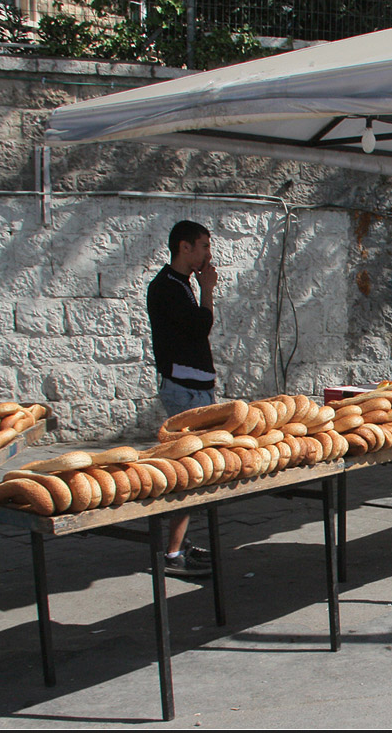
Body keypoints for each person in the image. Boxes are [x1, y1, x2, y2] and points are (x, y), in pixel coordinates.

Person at [147, 220, 218, 578]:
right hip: (183, 388)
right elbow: (199, 327)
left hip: (197, 386)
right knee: (190, 471)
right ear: (184, 247)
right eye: (203, 246)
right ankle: (172, 553)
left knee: (198, 471)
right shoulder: (166, 288)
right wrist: (207, 290)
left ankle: (177, 541)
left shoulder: (182, 285)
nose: (208, 253)